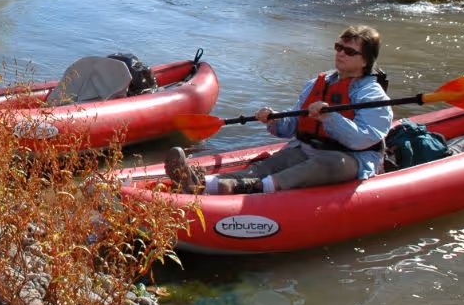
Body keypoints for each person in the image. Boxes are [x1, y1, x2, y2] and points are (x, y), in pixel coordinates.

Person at [167, 25, 392, 195]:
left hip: (350, 158)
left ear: (365, 61)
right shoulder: (318, 83)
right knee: (266, 166)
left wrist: (330, 117)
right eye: (339, 47)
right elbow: (292, 127)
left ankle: (252, 189)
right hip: (307, 148)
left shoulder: (372, 95)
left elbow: (363, 140)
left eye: (349, 51)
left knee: (327, 163)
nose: (340, 53)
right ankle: (202, 184)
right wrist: (274, 120)